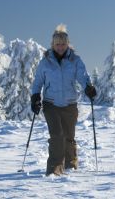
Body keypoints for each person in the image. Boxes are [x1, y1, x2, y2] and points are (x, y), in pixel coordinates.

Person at [31, 24, 96, 176]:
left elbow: (82, 76)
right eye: (57, 44)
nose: (60, 47)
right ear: (53, 45)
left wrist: (88, 87)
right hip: (51, 104)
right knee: (57, 136)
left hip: (70, 104)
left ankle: (70, 165)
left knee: (69, 136)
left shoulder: (75, 60)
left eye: (63, 44)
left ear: (68, 44)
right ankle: (54, 169)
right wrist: (35, 97)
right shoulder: (45, 61)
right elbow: (38, 81)